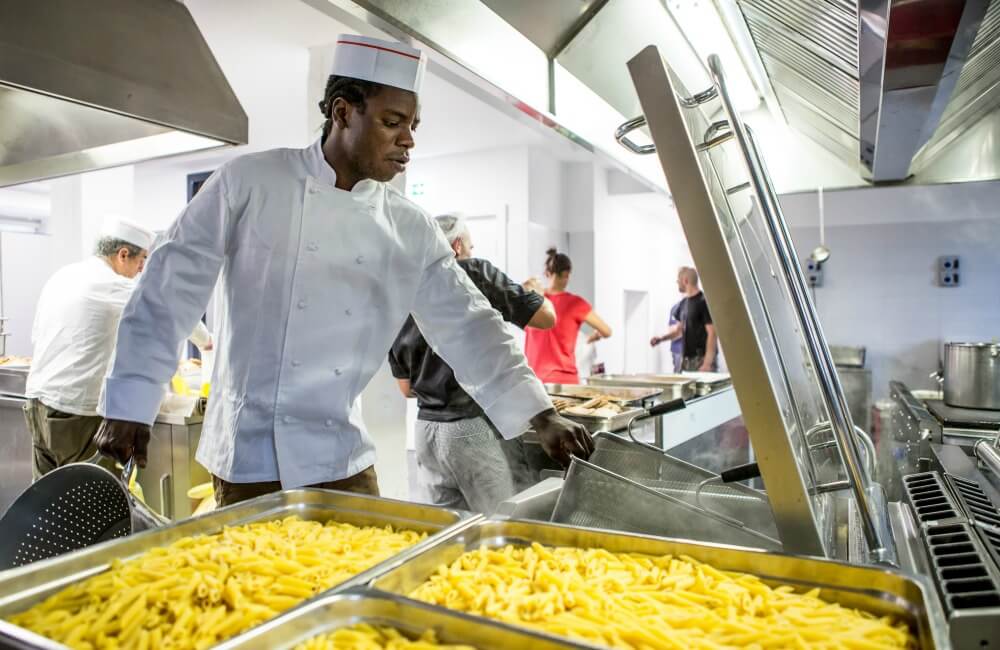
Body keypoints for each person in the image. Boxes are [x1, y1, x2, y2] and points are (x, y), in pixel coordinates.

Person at [94, 35, 592, 507]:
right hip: (248, 459)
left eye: (414, 126)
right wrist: (130, 401)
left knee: (365, 587)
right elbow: (168, 290)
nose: (408, 140)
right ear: (342, 112)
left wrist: (539, 413)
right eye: (393, 122)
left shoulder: (409, 225)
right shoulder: (249, 182)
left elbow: (469, 324)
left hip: (341, 455)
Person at [389, 214, 556, 513]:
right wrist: (536, 293)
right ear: (456, 247)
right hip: (471, 427)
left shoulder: (404, 289)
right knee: (499, 525)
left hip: (426, 432)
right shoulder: (475, 271)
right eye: (471, 246)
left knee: (450, 531)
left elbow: (406, 388)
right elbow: (546, 318)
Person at [24, 219, 212, 479]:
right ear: (123, 254)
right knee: (92, 507)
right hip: (75, 415)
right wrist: (207, 343)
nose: (141, 270)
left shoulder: (63, 276)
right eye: (141, 260)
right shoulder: (112, 284)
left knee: (48, 503)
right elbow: (166, 308)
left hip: (36, 406)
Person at [524, 248, 611, 384]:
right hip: (564, 381)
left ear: (547, 273)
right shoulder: (576, 304)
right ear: (567, 274)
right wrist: (593, 336)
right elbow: (606, 331)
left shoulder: (533, 298)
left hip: (534, 379)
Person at [650, 266, 718, 371]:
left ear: (685, 280)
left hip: (701, 360)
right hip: (687, 360)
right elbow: (679, 331)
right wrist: (661, 338)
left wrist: (707, 363)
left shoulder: (704, 302)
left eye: (678, 281)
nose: (677, 283)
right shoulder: (683, 303)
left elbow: (712, 333)